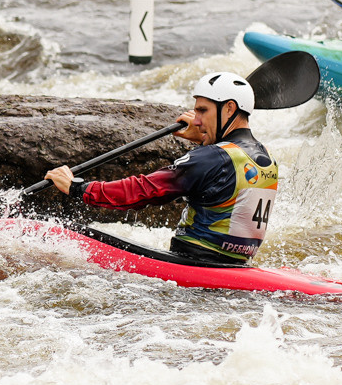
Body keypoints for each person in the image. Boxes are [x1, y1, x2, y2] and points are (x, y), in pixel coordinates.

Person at [43, 73, 278, 266]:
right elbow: (224, 170)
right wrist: (206, 140)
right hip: (235, 266)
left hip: (194, 265)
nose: (195, 121)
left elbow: (143, 190)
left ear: (229, 109)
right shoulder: (264, 155)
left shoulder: (211, 158)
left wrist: (79, 188)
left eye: (202, 111)